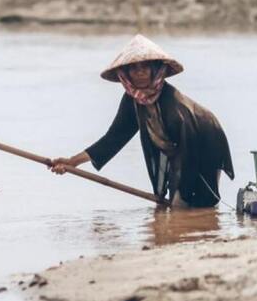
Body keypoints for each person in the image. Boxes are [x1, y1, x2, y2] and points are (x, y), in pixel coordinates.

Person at [48, 34, 233, 208]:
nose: (140, 73)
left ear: (155, 69)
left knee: (199, 200)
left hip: (206, 140)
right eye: (134, 69)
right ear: (126, 74)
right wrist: (72, 162)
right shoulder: (132, 101)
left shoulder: (173, 105)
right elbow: (113, 139)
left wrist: (180, 198)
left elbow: (188, 153)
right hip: (178, 149)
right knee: (176, 202)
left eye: (145, 67)